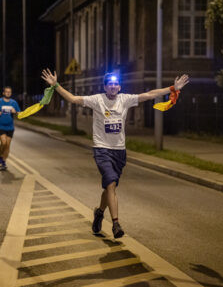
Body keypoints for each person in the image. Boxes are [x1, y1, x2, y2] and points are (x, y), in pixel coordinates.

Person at [41, 68, 189, 238]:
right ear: (105, 87)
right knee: (110, 183)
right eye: (109, 84)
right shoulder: (97, 100)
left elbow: (149, 94)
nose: (113, 86)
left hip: (119, 151)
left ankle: (99, 213)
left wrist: (172, 88)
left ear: (119, 87)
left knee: (109, 187)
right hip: (102, 149)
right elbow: (73, 99)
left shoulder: (125, 99)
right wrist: (56, 85)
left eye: (115, 84)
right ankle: (116, 224)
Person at [0, 87, 21, 170]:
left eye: (9, 92)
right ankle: (0, 156)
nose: (8, 93)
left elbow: (19, 113)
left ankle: (3, 161)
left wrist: (15, 112)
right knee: (3, 143)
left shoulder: (14, 102)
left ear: (11, 93)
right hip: (0, 125)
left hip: (10, 126)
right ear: (3, 93)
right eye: (6, 92)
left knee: (7, 145)